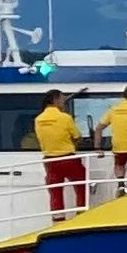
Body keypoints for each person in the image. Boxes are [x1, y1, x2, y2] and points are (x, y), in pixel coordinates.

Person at [34, 86, 88, 217]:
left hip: (50, 161)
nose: (64, 102)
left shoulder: (39, 119)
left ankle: (58, 220)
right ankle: (81, 216)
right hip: (68, 159)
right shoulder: (65, 118)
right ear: (55, 100)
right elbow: (77, 137)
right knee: (82, 187)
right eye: (62, 100)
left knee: (55, 193)